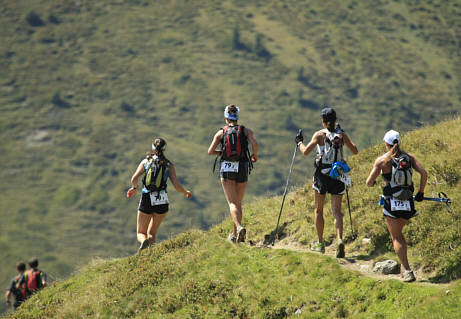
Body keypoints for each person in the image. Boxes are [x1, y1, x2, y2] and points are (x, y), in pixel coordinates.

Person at [296, 107, 358, 257]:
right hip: (337, 174)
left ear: (323, 122)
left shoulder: (319, 135)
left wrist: (299, 143)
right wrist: (342, 134)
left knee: (318, 210)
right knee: (337, 211)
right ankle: (339, 240)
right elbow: (355, 150)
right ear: (335, 120)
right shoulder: (341, 135)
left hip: (322, 175)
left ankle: (320, 242)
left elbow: (305, 152)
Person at [366, 130, 427, 282]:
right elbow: (424, 173)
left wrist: (374, 183)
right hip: (408, 202)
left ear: (386, 144)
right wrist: (420, 192)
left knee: (396, 236)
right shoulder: (409, 158)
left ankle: (407, 271)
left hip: (391, 202)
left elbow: (368, 182)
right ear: (399, 143)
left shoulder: (382, 161)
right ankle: (405, 267)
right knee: (399, 234)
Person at [127, 137, 192, 251]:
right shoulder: (168, 165)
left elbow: (134, 178)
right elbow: (176, 185)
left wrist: (134, 188)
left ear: (152, 148)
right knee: (152, 233)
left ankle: (143, 241)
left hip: (147, 197)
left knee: (141, 232)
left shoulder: (146, 161)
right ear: (164, 149)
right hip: (162, 199)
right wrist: (185, 192)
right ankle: (152, 255)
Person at [208, 104, 258, 243]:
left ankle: (239, 227)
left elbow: (210, 151)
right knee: (238, 202)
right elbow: (255, 143)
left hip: (227, 167)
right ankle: (235, 234)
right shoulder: (245, 130)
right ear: (237, 117)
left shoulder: (221, 132)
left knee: (232, 203)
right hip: (242, 166)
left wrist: (222, 152)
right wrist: (255, 155)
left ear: (226, 117)